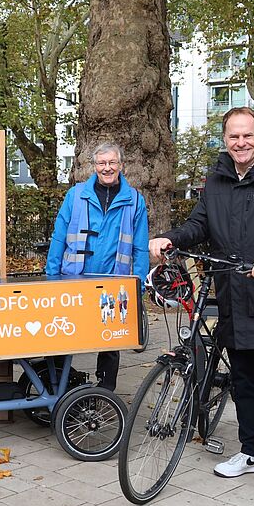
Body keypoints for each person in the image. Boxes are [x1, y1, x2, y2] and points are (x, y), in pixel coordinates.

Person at [149, 106, 254, 506]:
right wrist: (171, 238)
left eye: (247, 135)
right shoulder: (217, 177)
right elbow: (200, 224)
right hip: (234, 297)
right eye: (234, 136)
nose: (241, 143)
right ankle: (252, 451)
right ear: (225, 139)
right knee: (243, 382)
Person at [45, 142, 149, 391]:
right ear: (94, 166)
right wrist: (51, 275)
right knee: (64, 333)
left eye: (112, 162)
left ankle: (106, 391)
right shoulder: (76, 195)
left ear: (121, 165)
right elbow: (59, 237)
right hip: (73, 278)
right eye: (102, 163)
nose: (107, 168)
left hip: (113, 280)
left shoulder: (134, 200)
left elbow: (140, 248)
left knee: (110, 341)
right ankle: (57, 384)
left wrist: (139, 286)